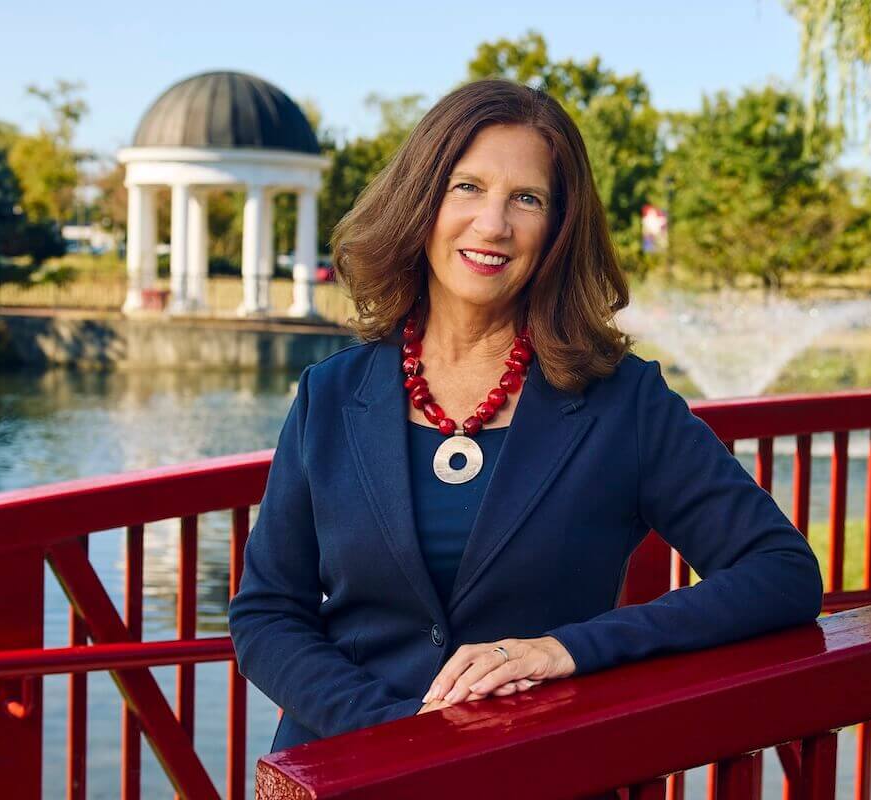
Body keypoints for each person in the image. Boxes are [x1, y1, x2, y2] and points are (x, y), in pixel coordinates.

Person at [228, 78, 823, 754]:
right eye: (467, 187)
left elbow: (780, 571)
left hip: (538, 771)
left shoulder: (623, 403)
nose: (493, 224)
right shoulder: (330, 396)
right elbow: (267, 614)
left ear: (558, 228)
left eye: (527, 199)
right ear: (422, 202)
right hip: (346, 768)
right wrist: (394, 733)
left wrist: (565, 650)